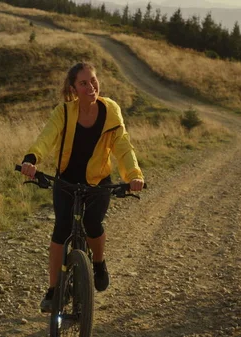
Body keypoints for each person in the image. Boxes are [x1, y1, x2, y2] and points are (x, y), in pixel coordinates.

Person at [19, 62, 144, 312]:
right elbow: (47, 137)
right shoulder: (64, 112)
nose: (91, 86)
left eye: (94, 80)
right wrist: (31, 159)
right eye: (84, 83)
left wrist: (133, 175)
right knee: (61, 230)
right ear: (74, 88)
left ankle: (98, 263)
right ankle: (54, 290)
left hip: (98, 181)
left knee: (93, 224)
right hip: (66, 180)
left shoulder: (111, 111)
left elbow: (123, 146)